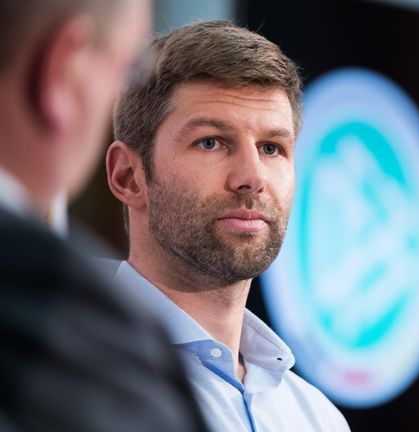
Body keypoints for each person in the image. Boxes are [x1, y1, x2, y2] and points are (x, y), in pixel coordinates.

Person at [106, 20, 350, 431]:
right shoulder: (63, 369)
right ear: (129, 176)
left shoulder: (317, 418)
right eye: (211, 142)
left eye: (272, 148)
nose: (252, 177)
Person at [0, 0, 208, 431]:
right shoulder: (85, 339)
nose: (251, 179)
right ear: (64, 69)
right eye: (128, 73)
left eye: (273, 149)